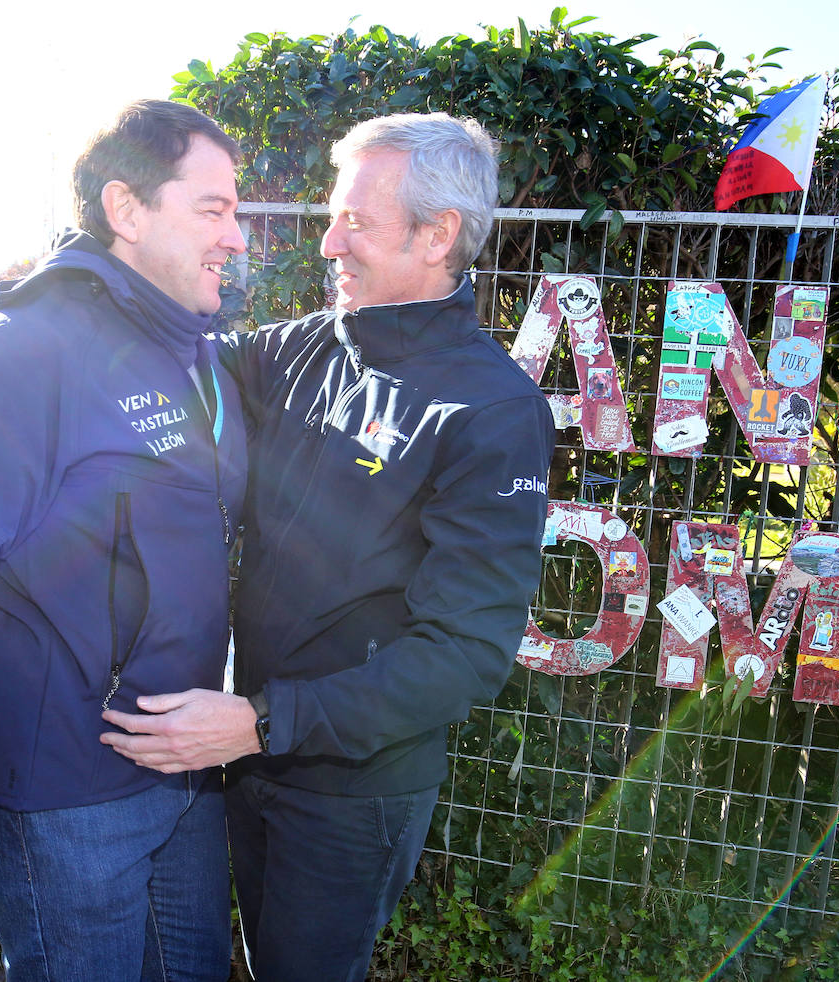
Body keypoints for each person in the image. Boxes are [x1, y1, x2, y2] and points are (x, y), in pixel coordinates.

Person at [101, 112, 557, 981]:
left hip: (351, 792)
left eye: (357, 222)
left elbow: (464, 655)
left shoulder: (491, 411)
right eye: (330, 218)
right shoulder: (311, 345)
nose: (328, 245)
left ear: (439, 234)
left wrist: (264, 721)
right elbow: (177, 355)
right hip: (249, 755)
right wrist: (82, 276)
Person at [0, 99, 248, 980]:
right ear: (127, 209)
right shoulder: (21, 355)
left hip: (190, 776)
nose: (239, 235)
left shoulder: (195, 350)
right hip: (67, 801)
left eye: (237, 210)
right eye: (214, 209)